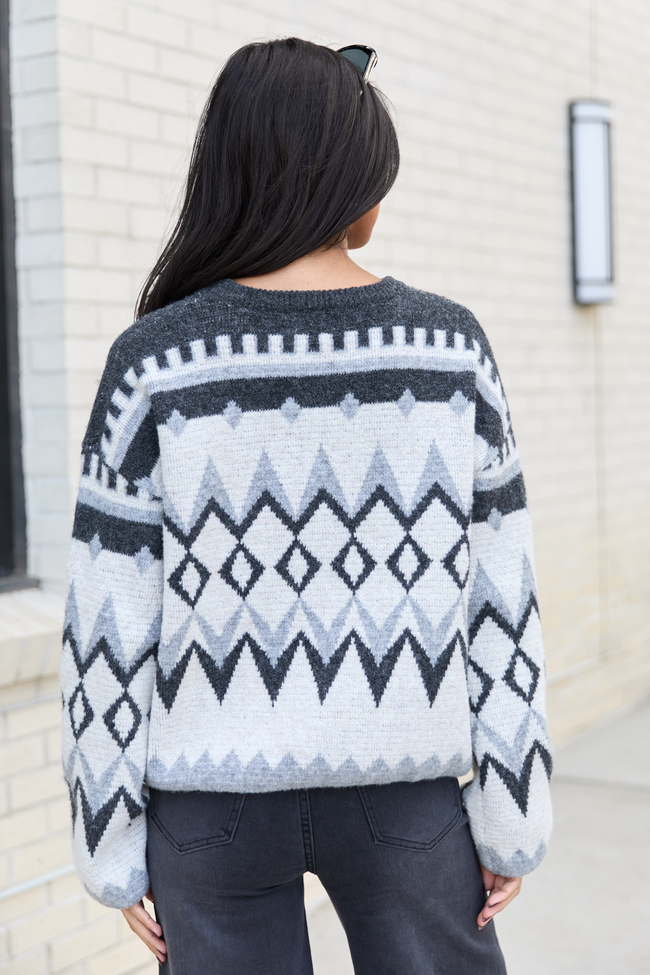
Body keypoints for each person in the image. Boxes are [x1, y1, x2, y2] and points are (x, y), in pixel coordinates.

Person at [60, 37, 552, 975]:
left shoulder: (154, 360)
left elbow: (107, 619)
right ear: (339, 177)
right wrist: (512, 810)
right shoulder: (449, 348)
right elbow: (501, 596)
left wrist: (109, 838)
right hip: (404, 790)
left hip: (208, 810)